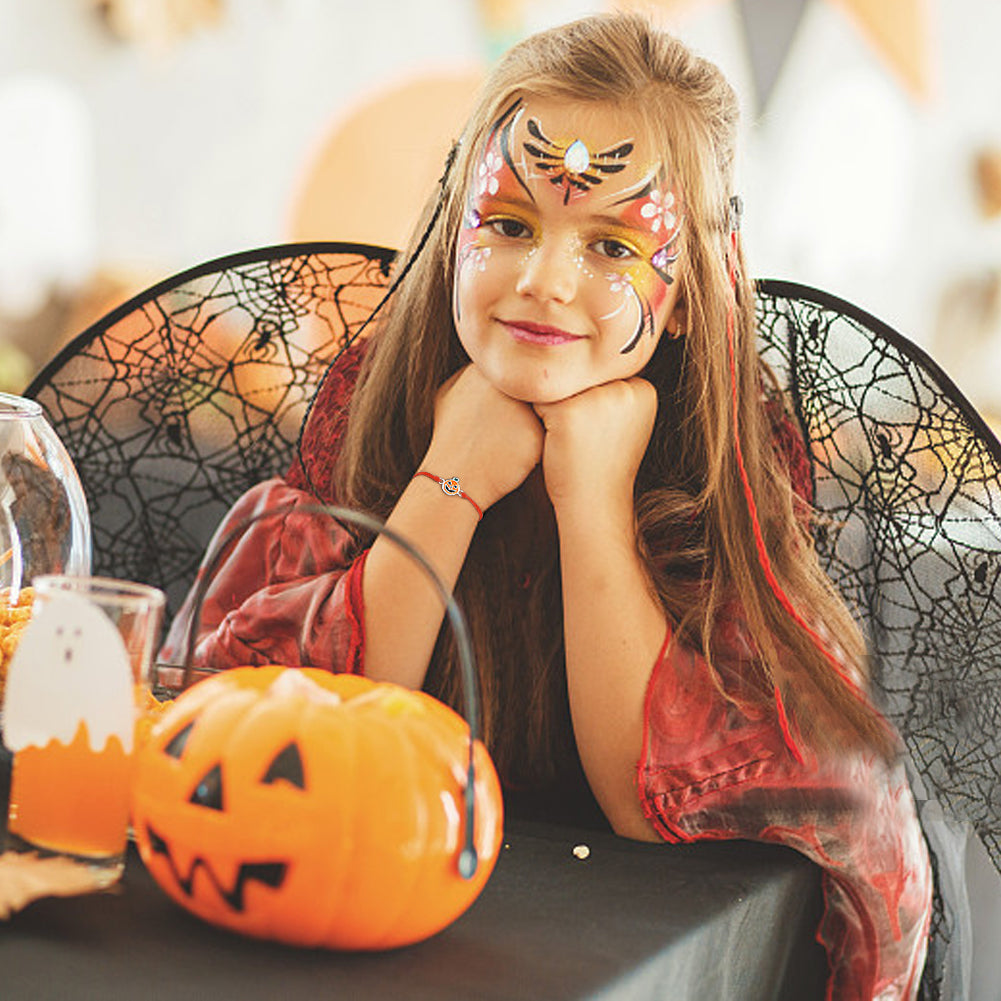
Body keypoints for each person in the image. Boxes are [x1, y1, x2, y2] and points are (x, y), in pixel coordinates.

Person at [161, 13, 932, 999]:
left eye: (612, 245)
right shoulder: (361, 449)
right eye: (510, 224)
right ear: (454, 233)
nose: (542, 279)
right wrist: (451, 476)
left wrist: (593, 497)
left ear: (687, 292)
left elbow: (650, 809)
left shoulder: (718, 508)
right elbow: (303, 738)